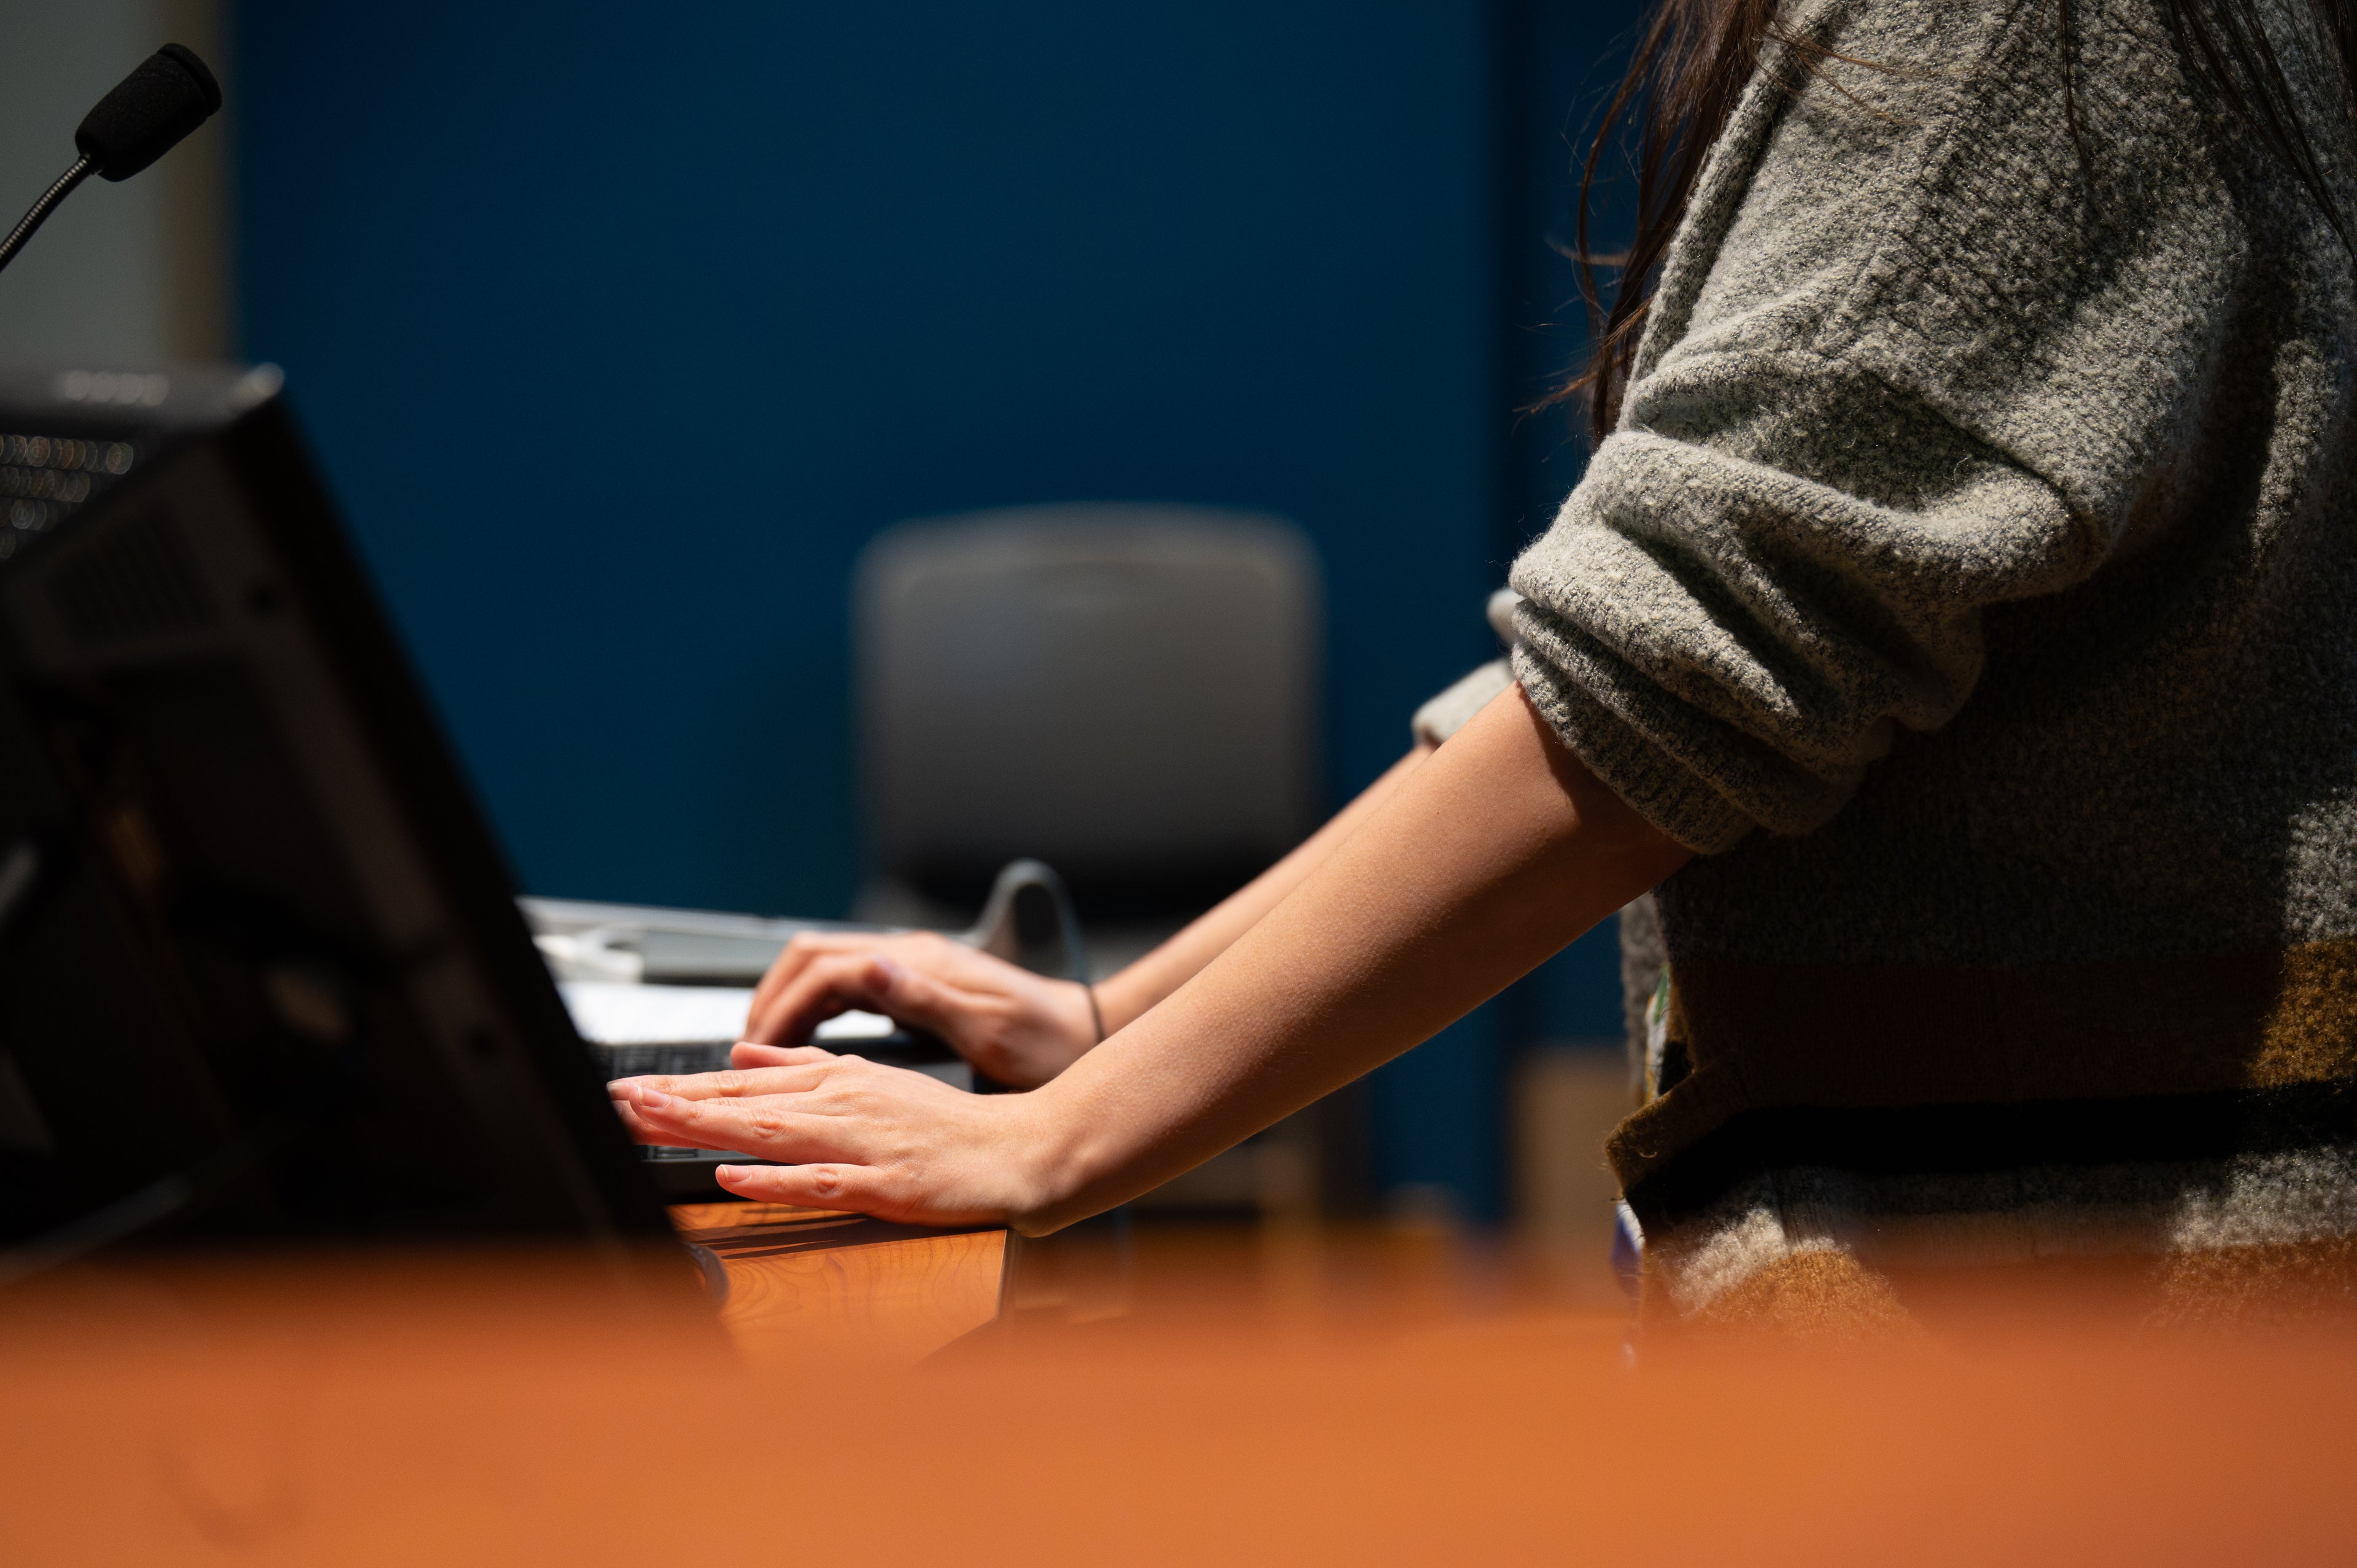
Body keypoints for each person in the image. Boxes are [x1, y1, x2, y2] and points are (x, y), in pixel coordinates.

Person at [611, 0, 2357, 1334]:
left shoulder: (2023, 37)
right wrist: (1100, 1024)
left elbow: (1653, 688)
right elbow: (1615, 675)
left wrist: (1052, 1146)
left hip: (2054, 1343)